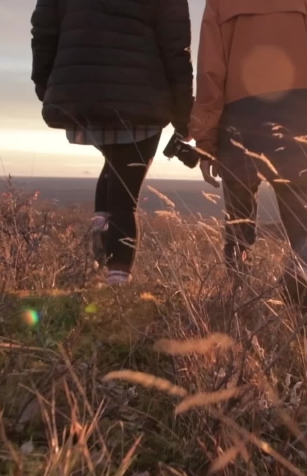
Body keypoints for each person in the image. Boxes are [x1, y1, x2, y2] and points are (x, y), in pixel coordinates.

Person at [190, 0, 307, 314]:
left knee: (239, 226)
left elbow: (210, 74)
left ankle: (235, 304)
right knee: (306, 225)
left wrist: (206, 140)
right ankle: (302, 289)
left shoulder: (218, 4)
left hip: (238, 123)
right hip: (296, 121)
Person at [30, 0, 193, 286]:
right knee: (125, 194)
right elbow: (175, 47)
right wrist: (183, 115)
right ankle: (117, 282)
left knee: (115, 165)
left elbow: (44, 30)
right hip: (144, 101)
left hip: (80, 91)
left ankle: (101, 227)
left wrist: (47, 85)